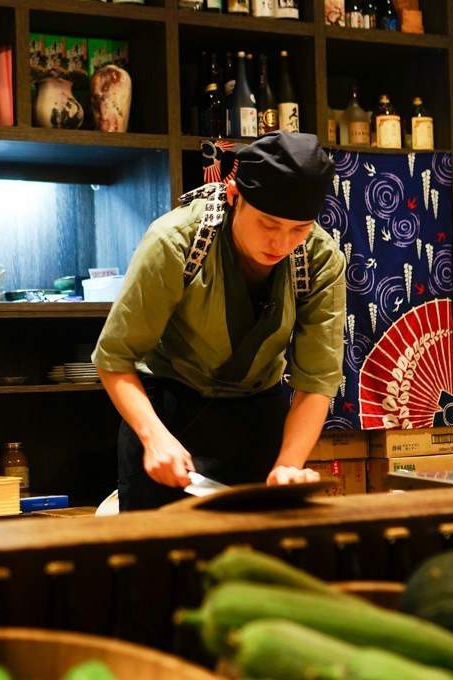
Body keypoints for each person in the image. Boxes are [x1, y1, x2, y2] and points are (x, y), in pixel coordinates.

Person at [93, 131, 346, 511]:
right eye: (268, 224)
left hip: (258, 415)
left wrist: (289, 465)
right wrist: (154, 437)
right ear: (234, 197)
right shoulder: (176, 241)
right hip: (169, 409)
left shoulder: (319, 259)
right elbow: (114, 358)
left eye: (299, 229)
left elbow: (317, 382)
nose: (281, 243)